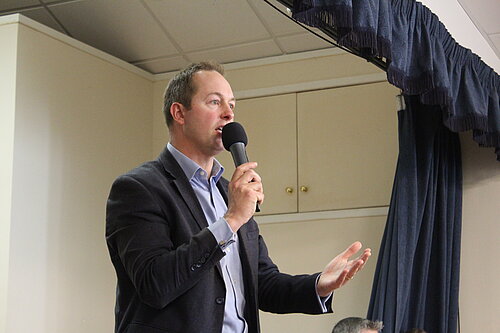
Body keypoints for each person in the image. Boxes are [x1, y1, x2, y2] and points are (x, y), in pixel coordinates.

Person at [106, 61, 372, 333]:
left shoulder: (229, 191)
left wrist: (319, 285)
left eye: (231, 105)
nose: (228, 115)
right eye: (214, 102)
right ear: (179, 113)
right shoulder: (139, 188)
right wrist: (231, 220)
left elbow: (263, 283)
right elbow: (155, 284)